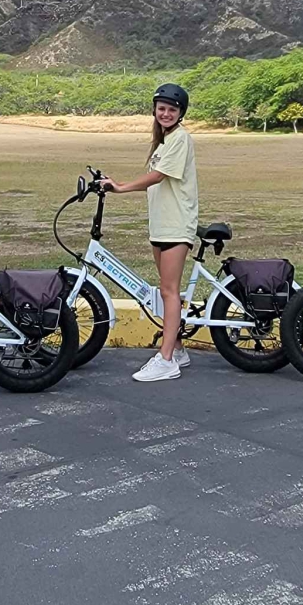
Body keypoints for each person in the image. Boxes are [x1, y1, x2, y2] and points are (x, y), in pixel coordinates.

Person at [99, 83, 198, 383]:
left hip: (176, 225)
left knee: (169, 292)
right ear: (155, 110)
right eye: (162, 108)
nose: (166, 113)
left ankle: (166, 360)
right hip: (162, 225)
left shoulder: (180, 139)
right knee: (166, 289)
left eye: (172, 109)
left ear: (180, 113)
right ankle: (178, 348)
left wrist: (121, 187)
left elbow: (157, 177)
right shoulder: (164, 141)